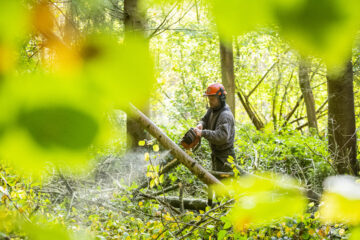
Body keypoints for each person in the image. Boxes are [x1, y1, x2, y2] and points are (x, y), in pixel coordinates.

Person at [193, 83, 235, 205]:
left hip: (225, 157)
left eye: (212, 98)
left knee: (224, 187)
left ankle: (226, 211)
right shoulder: (212, 110)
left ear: (221, 98)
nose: (210, 101)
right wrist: (200, 125)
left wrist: (202, 133)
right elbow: (204, 119)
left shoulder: (225, 115)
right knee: (215, 184)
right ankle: (215, 209)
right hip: (216, 155)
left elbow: (221, 137)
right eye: (209, 98)